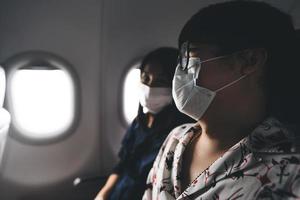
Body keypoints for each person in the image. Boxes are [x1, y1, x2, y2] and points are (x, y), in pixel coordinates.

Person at [143, 1, 300, 199]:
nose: (179, 74)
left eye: (190, 58)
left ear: (249, 61)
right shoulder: (175, 140)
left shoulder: (289, 171)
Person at [94, 47, 194, 200]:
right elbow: (123, 164)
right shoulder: (138, 123)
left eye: (160, 81)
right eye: (145, 78)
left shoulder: (179, 133)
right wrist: (103, 193)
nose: (150, 88)